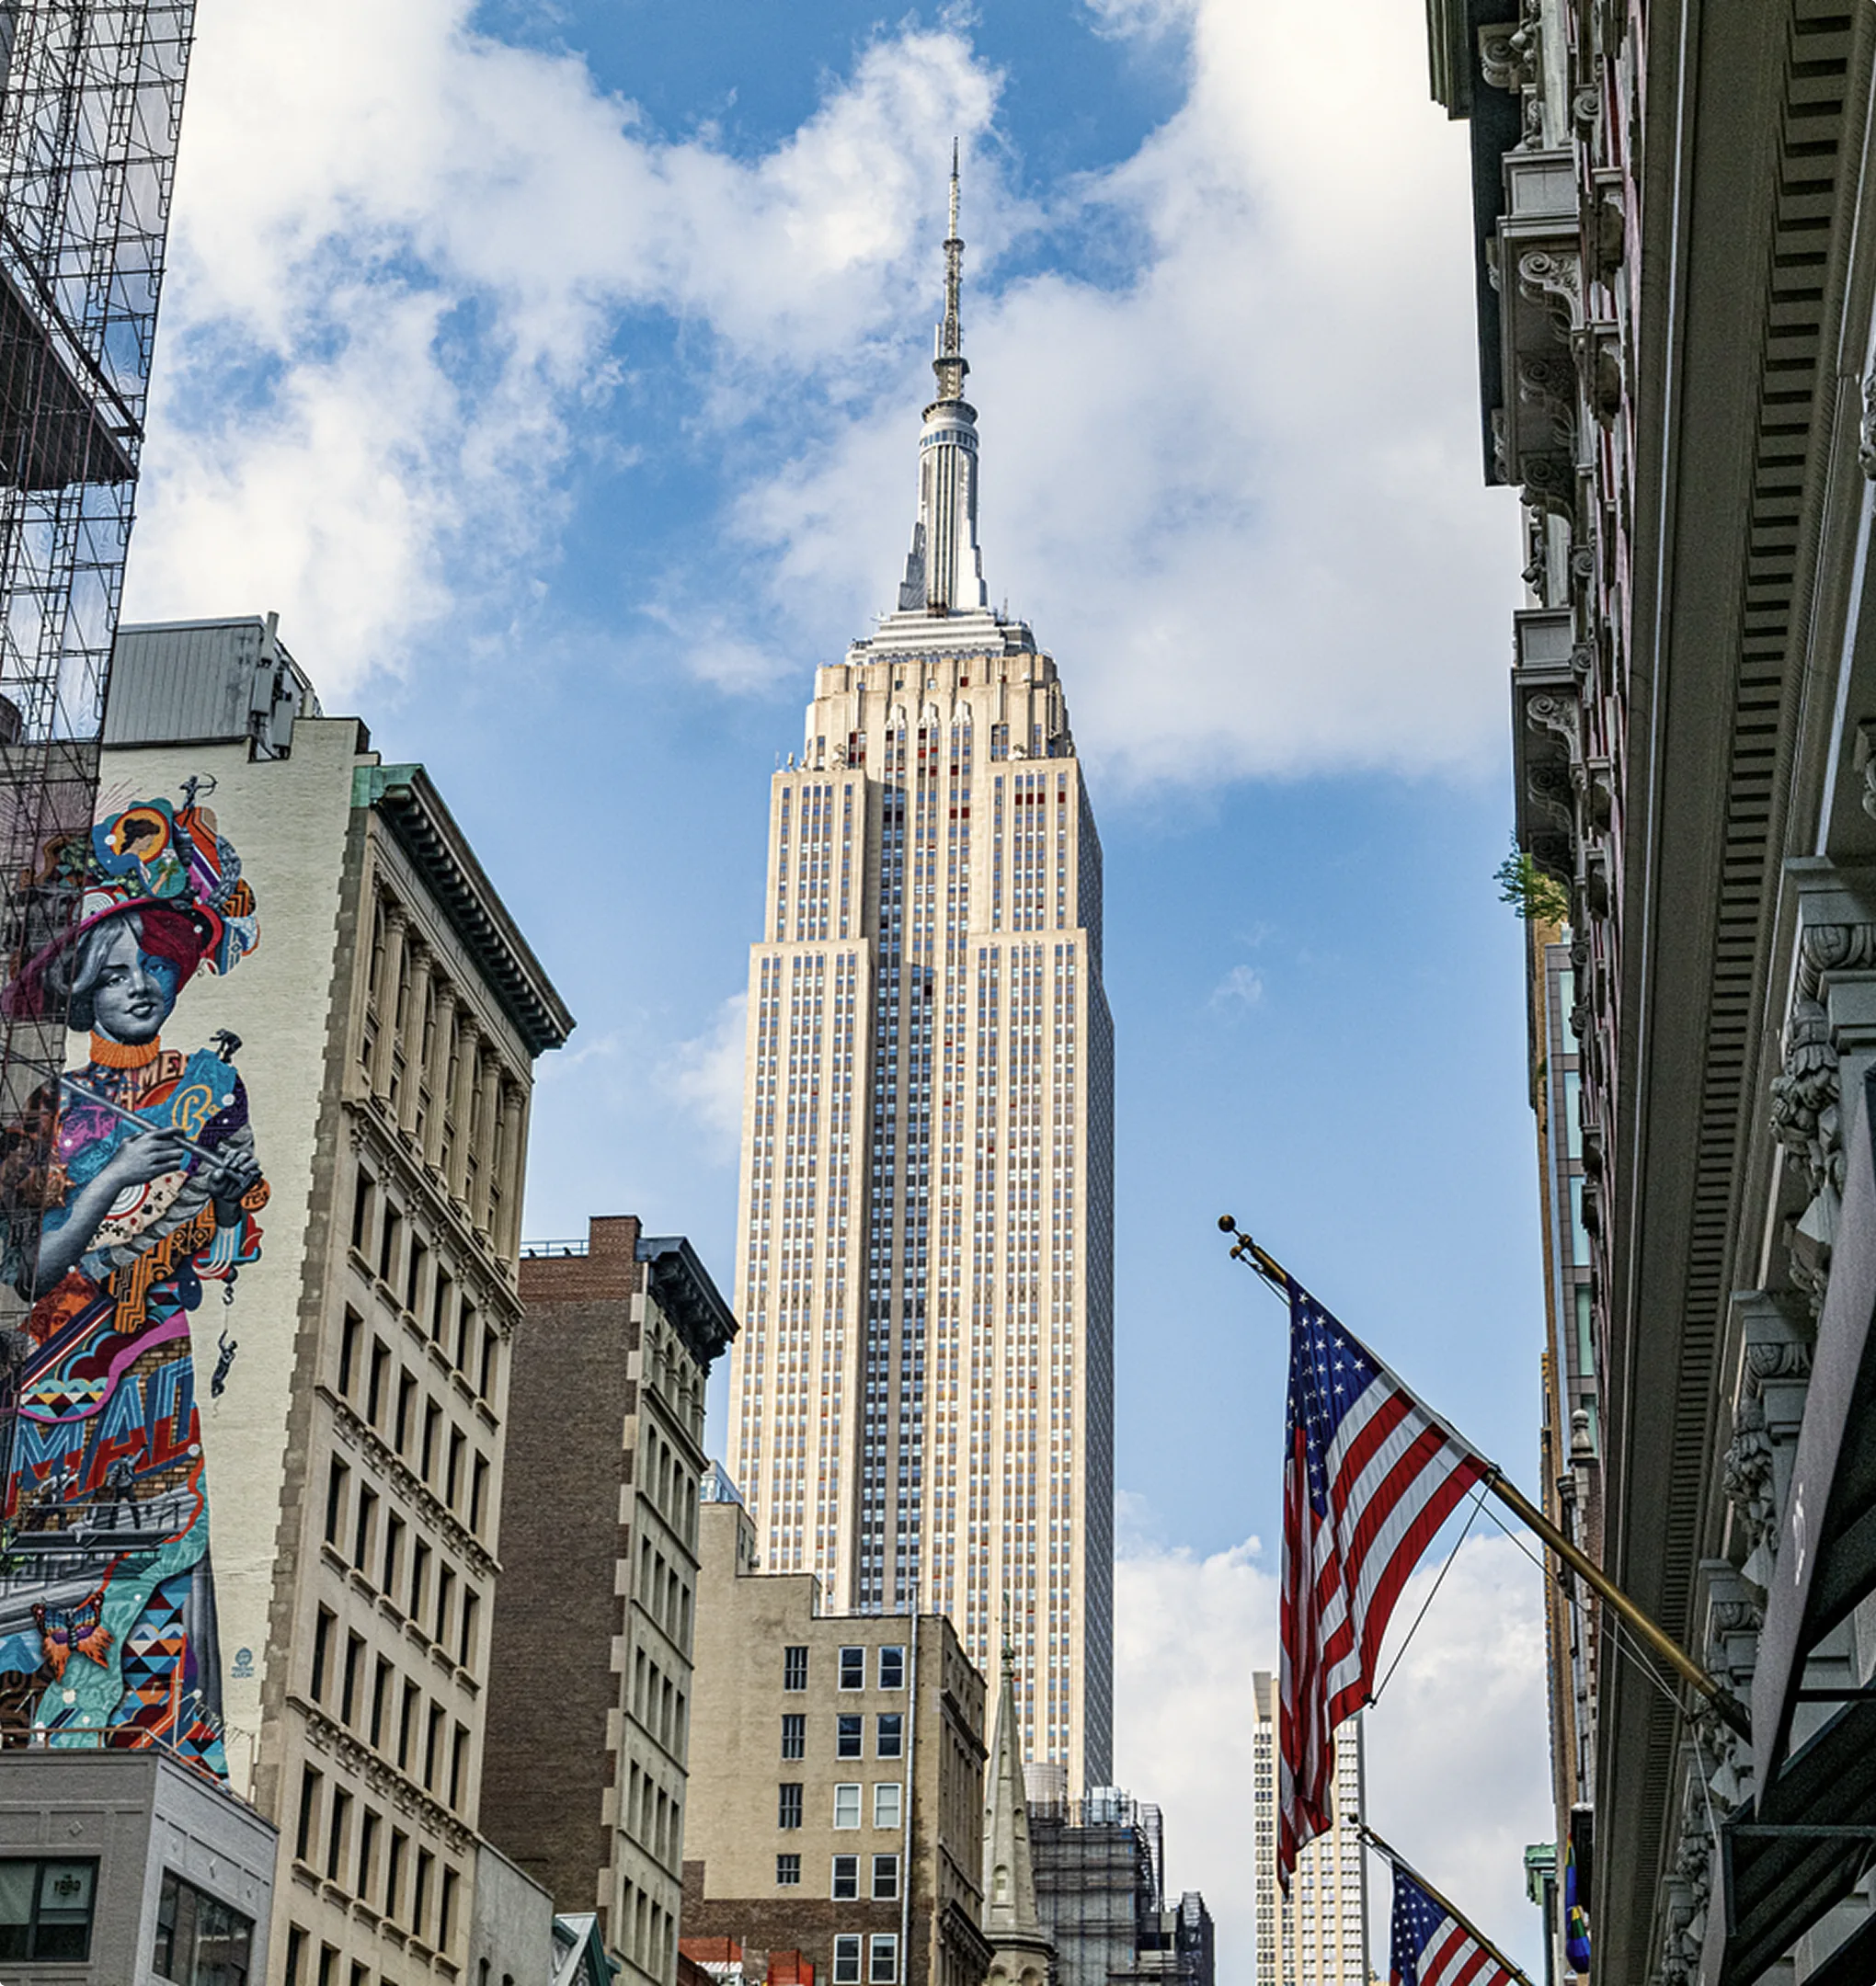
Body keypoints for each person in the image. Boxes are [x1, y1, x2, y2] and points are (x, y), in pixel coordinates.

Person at [0, 788, 264, 1774]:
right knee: (34, 1603)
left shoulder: (212, 1088)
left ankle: (148, 1758)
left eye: (156, 964)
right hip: (49, 1408)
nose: (143, 983)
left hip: (151, 1376)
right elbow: (31, 1266)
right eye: (117, 972)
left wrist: (227, 1204)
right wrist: (111, 1177)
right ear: (83, 992)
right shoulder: (47, 1111)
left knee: (153, 1582)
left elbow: (226, 1246)